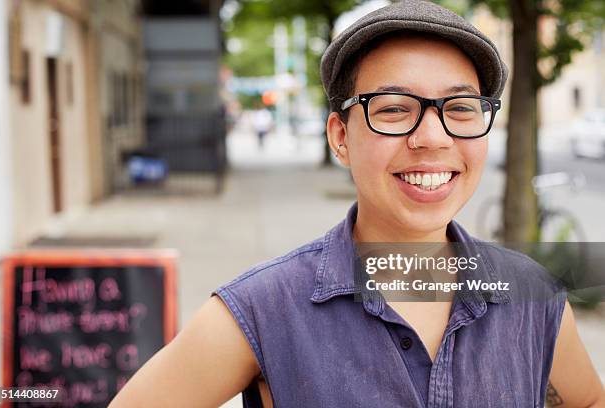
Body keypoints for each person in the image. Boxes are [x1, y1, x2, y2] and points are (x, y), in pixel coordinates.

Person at [110, 1, 605, 407]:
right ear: (340, 136)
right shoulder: (265, 309)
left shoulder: (533, 297)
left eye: (459, 108)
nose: (433, 137)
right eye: (393, 109)